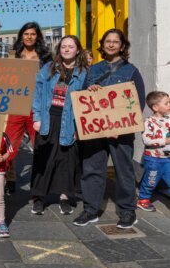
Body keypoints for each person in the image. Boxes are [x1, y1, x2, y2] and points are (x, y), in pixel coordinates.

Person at [73, 28, 145, 229]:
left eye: (115, 41)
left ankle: (127, 211)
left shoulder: (131, 71)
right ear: (103, 45)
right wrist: (90, 90)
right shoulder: (93, 70)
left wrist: (122, 126)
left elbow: (138, 102)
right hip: (96, 130)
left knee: (124, 170)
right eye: (108, 41)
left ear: (122, 46)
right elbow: (83, 99)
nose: (111, 44)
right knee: (92, 169)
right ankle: (90, 210)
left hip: (121, 131)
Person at [30, 35, 88, 216]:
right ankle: (38, 198)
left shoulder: (85, 73)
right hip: (49, 120)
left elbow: (86, 102)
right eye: (63, 46)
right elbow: (37, 94)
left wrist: (80, 127)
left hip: (69, 121)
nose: (67, 49)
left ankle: (64, 197)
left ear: (78, 50)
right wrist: (37, 118)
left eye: (71, 46)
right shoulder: (48, 69)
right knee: (43, 159)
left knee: (67, 161)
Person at [4, 22, 53, 195]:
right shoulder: (13, 54)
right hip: (16, 104)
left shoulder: (46, 56)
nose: (29, 37)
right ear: (21, 36)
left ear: (37, 36)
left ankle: (39, 186)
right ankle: (7, 181)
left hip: (37, 107)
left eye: (33, 34)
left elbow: (51, 81)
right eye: (26, 34)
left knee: (39, 145)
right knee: (8, 145)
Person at [136, 91, 170, 212]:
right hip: (153, 159)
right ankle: (143, 199)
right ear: (156, 107)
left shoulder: (168, 119)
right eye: (166, 103)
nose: (169, 105)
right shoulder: (148, 122)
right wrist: (165, 140)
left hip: (167, 158)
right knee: (151, 181)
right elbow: (147, 140)